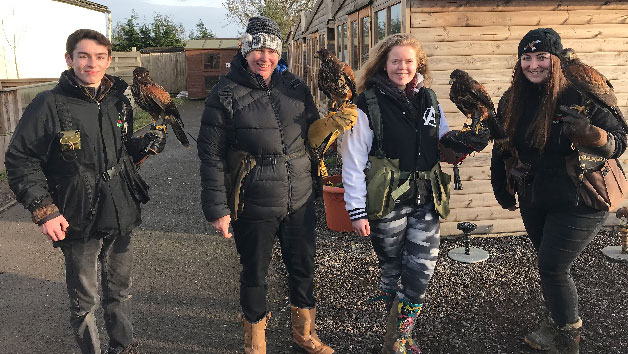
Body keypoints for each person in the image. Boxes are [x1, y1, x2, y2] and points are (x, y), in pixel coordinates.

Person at [5, 29, 166, 354]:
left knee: (119, 291)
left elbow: (119, 152)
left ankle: (121, 347)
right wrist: (44, 210)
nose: (92, 63)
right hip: (76, 215)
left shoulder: (118, 101)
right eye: (83, 55)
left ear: (108, 60)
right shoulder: (48, 104)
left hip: (119, 210)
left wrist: (143, 145)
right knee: (85, 302)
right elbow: (20, 159)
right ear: (70, 59)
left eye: (99, 56)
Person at [198, 16, 340, 354]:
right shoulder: (225, 94)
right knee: (255, 274)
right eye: (258, 48)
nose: (265, 56)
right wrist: (218, 209)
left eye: (272, 50)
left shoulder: (294, 87)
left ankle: (304, 335)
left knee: (303, 269)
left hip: (300, 197)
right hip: (254, 200)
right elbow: (210, 156)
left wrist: (331, 128)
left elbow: (312, 136)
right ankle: (255, 345)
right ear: (245, 50)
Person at [341, 33, 490, 354]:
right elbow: (353, 160)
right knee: (392, 265)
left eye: (408, 61)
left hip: (426, 197)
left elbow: (443, 139)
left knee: (420, 270)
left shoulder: (430, 98)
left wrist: (461, 144)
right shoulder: (366, 103)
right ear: (384, 63)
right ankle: (390, 315)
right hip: (387, 199)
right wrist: (355, 210)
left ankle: (402, 336)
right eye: (395, 61)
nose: (402, 67)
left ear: (418, 64)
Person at [490, 28, 627, 354]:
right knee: (547, 263)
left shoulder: (580, 94)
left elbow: (620, 140)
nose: (534, 64)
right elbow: (502, 146)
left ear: (556, 59)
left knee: (552, 266)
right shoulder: (512, 99)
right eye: (527, 57)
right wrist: (501, 186)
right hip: (534, 194)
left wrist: (593, 135)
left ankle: (568, 337)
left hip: (580, 195)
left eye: (542, 57)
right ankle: (557, 318)